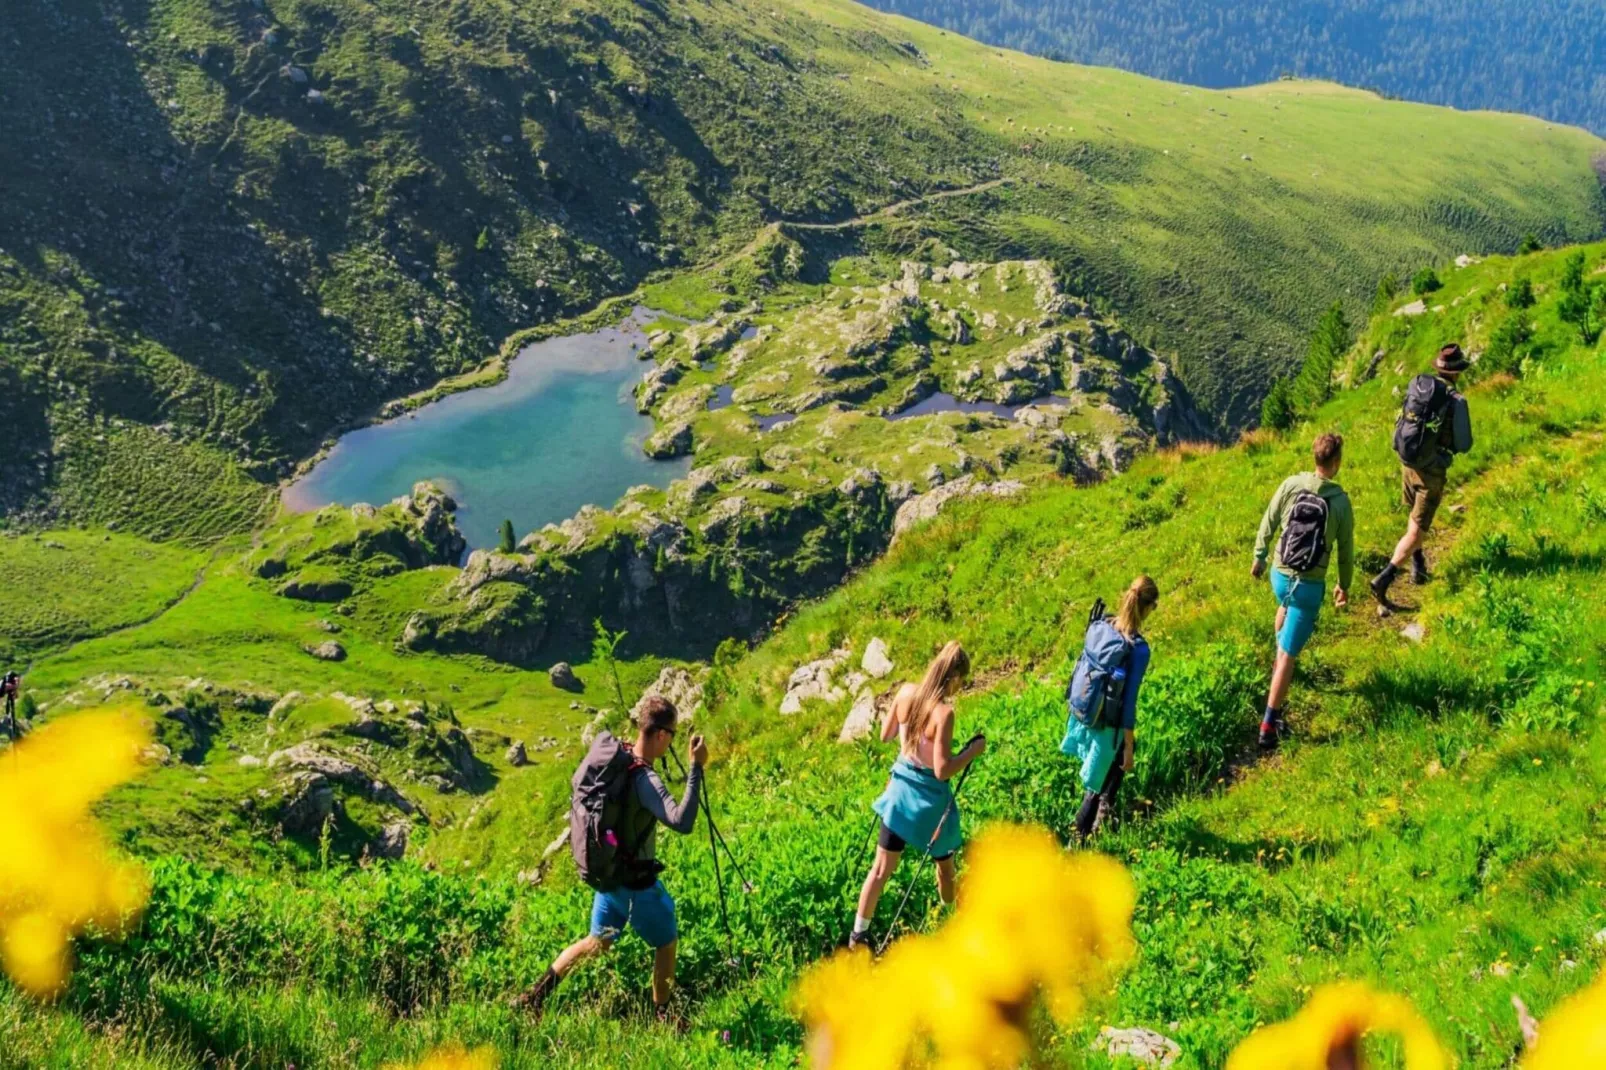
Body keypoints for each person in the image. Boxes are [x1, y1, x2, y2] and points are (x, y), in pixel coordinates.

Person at [516, 697, 706, 1021]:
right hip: (636, 887)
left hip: (609, 879)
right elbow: (682, 822)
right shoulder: (646, 780)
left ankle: (535, 996)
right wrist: (696, 768)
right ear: (660, 735)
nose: (672, 740)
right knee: (667, 942)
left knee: (596, 943)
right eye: (672, 734)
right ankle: (665, 1018)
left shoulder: (620, 760)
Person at [848, 641, 982, 952]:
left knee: (880, 870)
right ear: (953, 677)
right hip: (930, 807)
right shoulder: (944, 713)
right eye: (961, 681)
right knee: (945, 871)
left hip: (897, 796)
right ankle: (951, 920)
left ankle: (858, 935)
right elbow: (942, 770)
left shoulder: (906, 692)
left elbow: (885, 735)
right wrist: (972, 751)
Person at [1251, 433, 1354, 750]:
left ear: (1315, 458)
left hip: (1279, 577)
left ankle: (1278, 670)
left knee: (1284, 606)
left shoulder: (1291, 484)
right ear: (1335, 462)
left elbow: (1269, 520)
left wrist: (1258, 556)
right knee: (1287, 655)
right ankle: (1269, 725)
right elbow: (1346, 549)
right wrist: (1344, 585)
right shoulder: (1340, 502)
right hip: (1309, 586)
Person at [1371, 343, 1474, 612]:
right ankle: (1385, 578)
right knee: (1418, 529)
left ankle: (1418, 568)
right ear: (1457, 372)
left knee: (1413, 515)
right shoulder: (1456, 400)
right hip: (1432, 470)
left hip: (1408, 462)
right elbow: (1464, 444)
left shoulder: (1419, 387)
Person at [1060, 576, 1158, 843]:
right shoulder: (1137, 649)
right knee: (1097, 785)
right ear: (1148, 607)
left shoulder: (1104, 625)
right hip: (1109, 727)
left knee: (1104, 777)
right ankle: (1078, 840)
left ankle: (1102, 819)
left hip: (1086, 714)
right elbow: (1129, 702)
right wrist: (1127, 746)